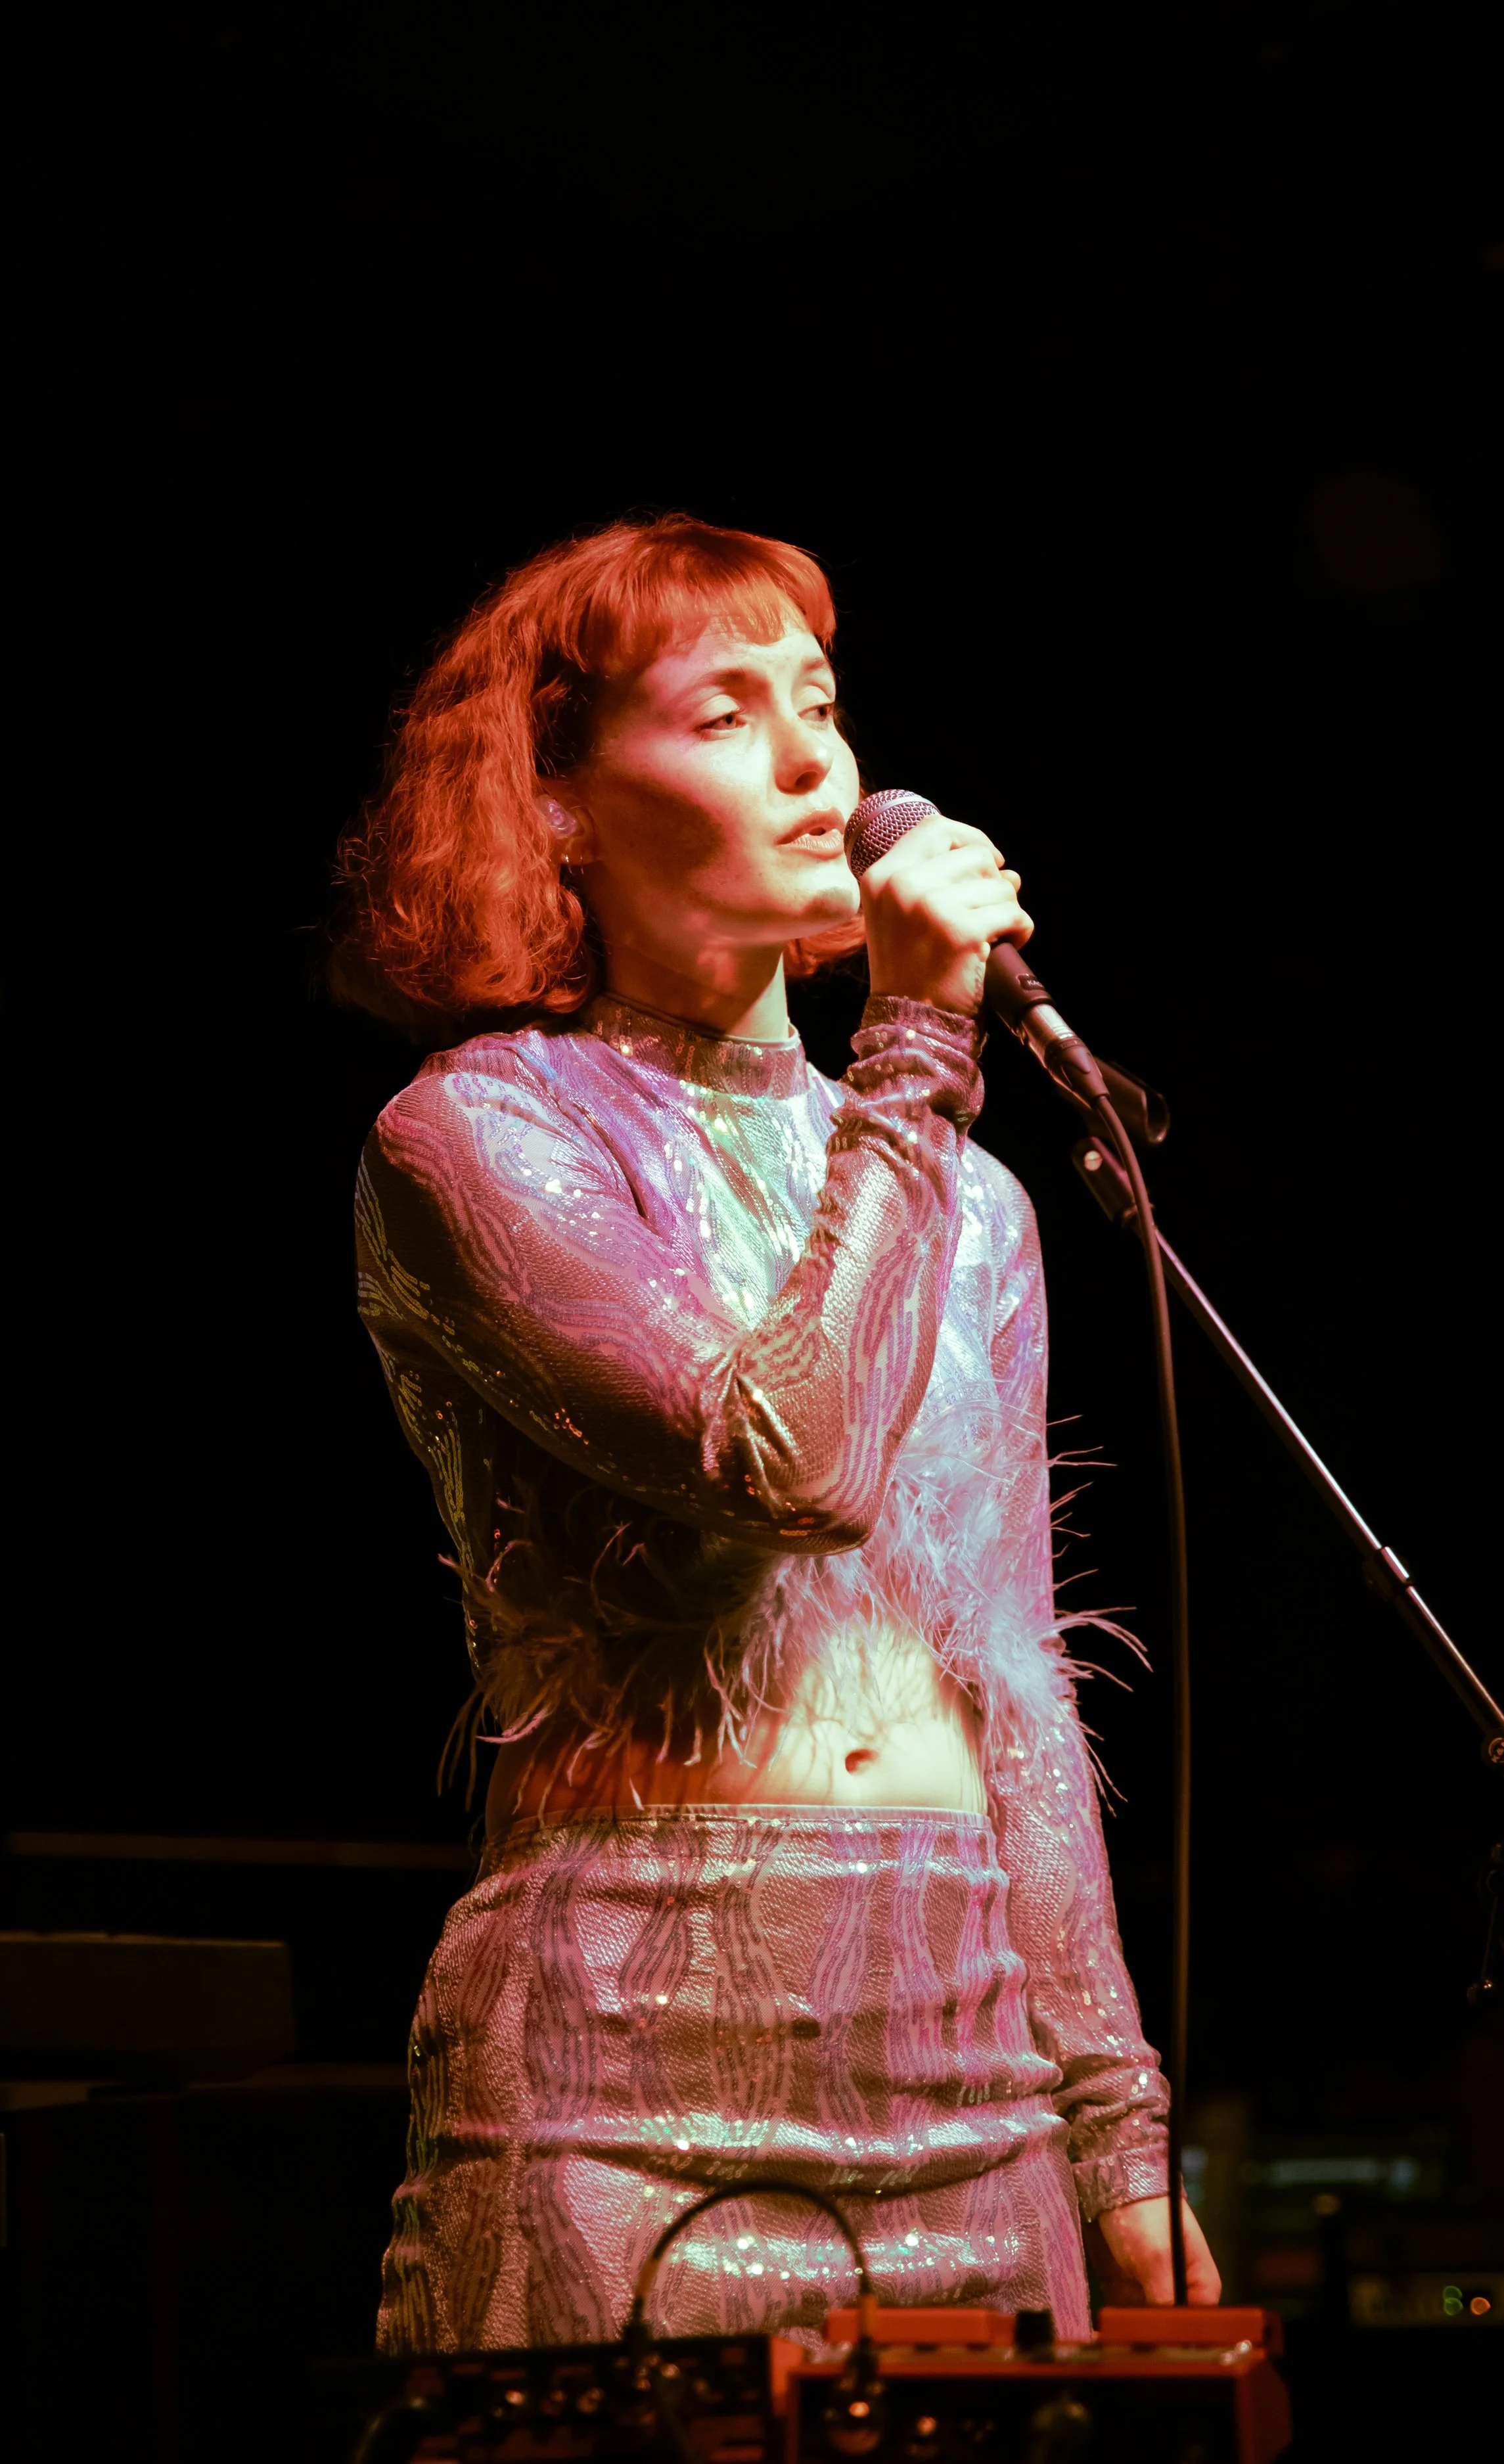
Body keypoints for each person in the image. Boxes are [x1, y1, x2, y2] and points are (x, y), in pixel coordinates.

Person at [331, 513, 1219, 2354]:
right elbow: (783, 1462)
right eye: (726, 715)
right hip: (620, 2076)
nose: (820, 763)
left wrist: (1116, 2130)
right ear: (556, 805)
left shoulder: (972, 1202)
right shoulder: (480, 1134)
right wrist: (917, 1041)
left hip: (967, 2063)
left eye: (820, 700)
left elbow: (1014, 1674)